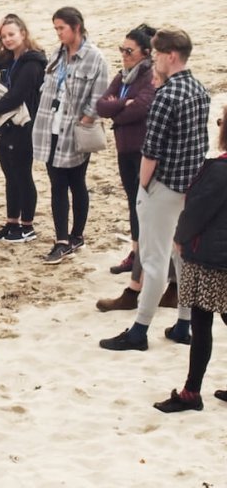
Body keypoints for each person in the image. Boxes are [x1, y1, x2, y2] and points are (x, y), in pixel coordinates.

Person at [100, 28, 211, 351]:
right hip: (191, 185)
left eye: (157, 54)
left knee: (154, 260)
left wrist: (144, 187)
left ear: (170, 55)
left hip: (163, 186)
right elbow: (199, 142)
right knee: (182, 255)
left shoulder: (167, 95)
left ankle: (139, 330)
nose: (155, 60)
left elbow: (151, 151)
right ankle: (183, 323)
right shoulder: (198, 89)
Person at [154, 106, 227, 412]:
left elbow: (196, 212)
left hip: (211, 257)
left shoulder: (220, 169)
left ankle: (191, 393)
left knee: (201, 320)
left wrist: (180, 238)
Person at [32, 7, 109, 264]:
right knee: (57, 183)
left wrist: (85, 120)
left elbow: (99, 96)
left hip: (75, 129)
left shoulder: (95, 57)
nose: (58, 33)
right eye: (55, 29)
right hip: (51, 127)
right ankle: (62, 239)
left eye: (61, 28)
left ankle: (76, 235)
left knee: (77, 181)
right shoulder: (57, 54)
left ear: (76, 27)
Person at [0, 14, 47, 243]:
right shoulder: (9, 60)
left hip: (24, 126)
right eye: (4, 36)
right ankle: (12, 222)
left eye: (11, 35)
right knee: (10, 175)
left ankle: (27, 226)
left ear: (23, 34)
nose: (7, 39)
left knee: (22, 175)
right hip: (7, 126)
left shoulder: (32, 62)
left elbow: (17, 97)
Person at [96, 24, 157, 275]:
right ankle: (136, 251)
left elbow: (142, 107)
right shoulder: (122, 76)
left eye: (129, 50)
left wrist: (117, 112)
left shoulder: (150, 75)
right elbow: (101, 105)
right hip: (124, 148)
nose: (123, 54)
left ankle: (150, 256)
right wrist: (122, 104)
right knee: (133, 202)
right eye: (122, 49)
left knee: (147, 204)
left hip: (142, 148)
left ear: (145, 52)